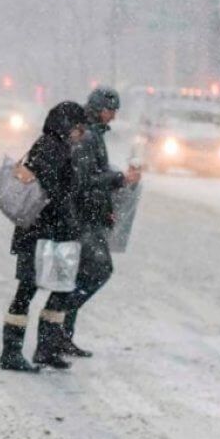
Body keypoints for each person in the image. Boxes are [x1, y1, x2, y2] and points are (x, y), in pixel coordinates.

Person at [0, 101, 88, 372]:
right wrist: (70, 221)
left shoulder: (57, 146)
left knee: (60, 288)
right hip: (41, 234)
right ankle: (12, 353)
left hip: (49, 233)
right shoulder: (50, 147)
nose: (81, 133)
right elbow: (52, 193)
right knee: (27, 291)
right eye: (78, 127)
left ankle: (45, 349)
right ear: (67, 126)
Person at [62, 87, 141, 357]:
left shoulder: (91, 133)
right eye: (110, 110)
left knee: (81, 274)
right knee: (99, 270)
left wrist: (117, 178)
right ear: (98, 108)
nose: (113, 117)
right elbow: (85, 179)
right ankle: (58, 319)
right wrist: (119, 180)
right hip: (83, 217)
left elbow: (94, 172)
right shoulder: (86, 136)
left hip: (89, 214)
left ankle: (61, 332)